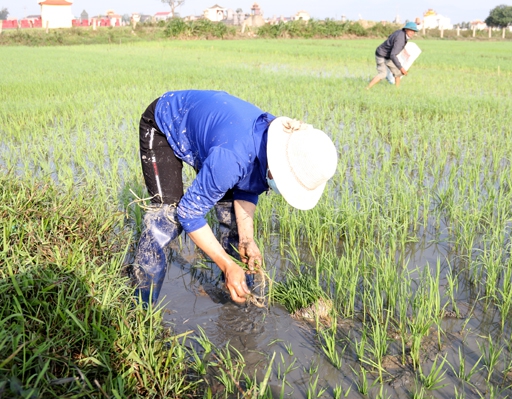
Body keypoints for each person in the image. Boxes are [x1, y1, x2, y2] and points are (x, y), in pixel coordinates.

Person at [134, 90, 338, 305]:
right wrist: (225, 264)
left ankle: (235, 294)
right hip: (166, 122)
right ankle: (139, 308)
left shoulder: (269, 146)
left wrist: (246, 239)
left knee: (232, 224)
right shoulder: (233, 158)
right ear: (278, 169)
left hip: (219, 140)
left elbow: (247, 187)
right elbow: (188, 213)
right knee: (166, 220)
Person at [367, 21, 419, 89]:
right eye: (411, 30)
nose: (412, 32)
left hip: (388, 55)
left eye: (414, 31)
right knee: (383, 74)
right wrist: (401, 68)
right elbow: (393, 55)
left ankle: (397, 91)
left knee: (397, 73)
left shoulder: (400, 32)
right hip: (381, 55)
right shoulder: (401, 38)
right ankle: (367, 88)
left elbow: (390, 38)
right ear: (406, 29)